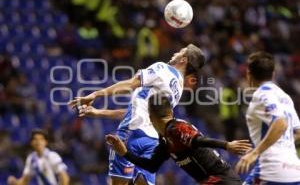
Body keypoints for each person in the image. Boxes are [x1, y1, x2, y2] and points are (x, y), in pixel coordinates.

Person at [69, 44, 205, 185]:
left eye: (179, 52)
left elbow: (130, 84)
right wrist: (98, 112)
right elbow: (138, 111)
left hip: (132, 133)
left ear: (183, 60)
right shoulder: (178, 87)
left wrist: (96, 94)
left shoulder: (162, 68)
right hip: (153, 141)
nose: (174, 53)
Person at [105, 94, 252, 185]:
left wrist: (227, 145)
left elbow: (199, 140)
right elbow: (151, 165)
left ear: (150, 118)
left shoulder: (176, 128)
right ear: (171, 111)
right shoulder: (165, 140)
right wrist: (125, 153)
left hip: (220, 180)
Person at [235, 52, 300, 184]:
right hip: (295, 171)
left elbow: (281, 124)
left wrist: (255, 153)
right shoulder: (285, 97)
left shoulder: (262, 95)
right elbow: (298, 132)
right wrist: (270, 145)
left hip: (270, 171)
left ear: (249, 74)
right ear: (273, 74)